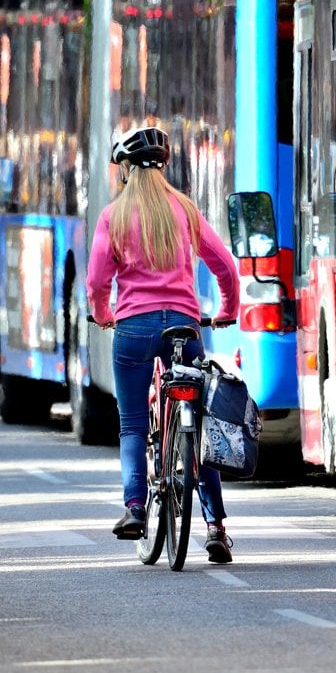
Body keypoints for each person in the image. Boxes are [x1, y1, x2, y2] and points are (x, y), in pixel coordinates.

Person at [86, 125, 241, 564]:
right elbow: (224, 265)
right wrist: (227, 309)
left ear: (126, 171)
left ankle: (136, 507)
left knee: (133, 425)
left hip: (133, 330)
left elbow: (98, 281)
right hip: (185, 329)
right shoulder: (185, 210)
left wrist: (103, 314)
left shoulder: (113, 217)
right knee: (202, 424)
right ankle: (215, 528)